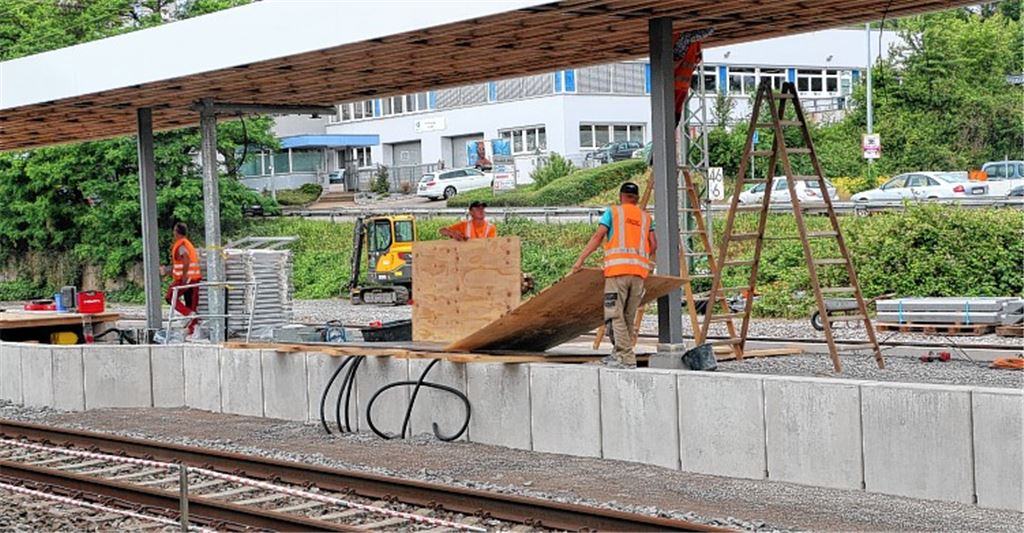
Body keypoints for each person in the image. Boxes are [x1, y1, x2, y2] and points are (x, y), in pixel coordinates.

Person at [571, 182, 657, 368]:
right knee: (628, 316)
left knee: (614, 315)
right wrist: (642, 260)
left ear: (621, 196)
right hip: (638, 274)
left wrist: (580, 260)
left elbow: (598, 237)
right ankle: (618, 353)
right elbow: (653, 244)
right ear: (636, 198)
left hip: (617, 272)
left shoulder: (613, 212)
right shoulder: (646, 217)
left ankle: (626, 357)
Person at [161, 222, 202, 336]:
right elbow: (181, 264)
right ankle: (192, 330)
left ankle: (187, 314)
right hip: (194, 278)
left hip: (186, 279)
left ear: (176, 232)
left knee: (170, 296)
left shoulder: (181, 245)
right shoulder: (187, 243)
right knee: (191, 304)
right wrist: (168, 270)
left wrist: (184, 278)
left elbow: (186, 260)